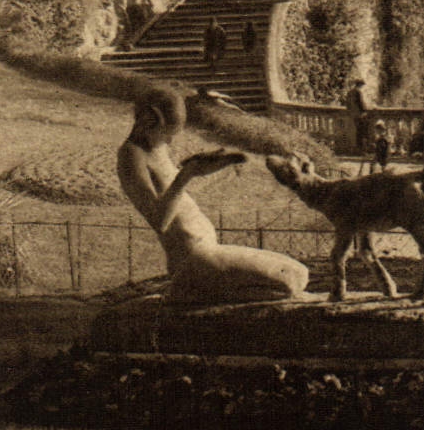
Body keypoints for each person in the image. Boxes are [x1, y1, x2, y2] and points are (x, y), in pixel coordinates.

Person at [117, 88, 308, 303]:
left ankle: (199, 292)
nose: (170, 141)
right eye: (168, 133)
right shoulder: (131, 157)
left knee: (300, 274)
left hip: (208, 251)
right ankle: (192, 292)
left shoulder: (154, 147)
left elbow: (175, 183)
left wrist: (212, 163)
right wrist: (187, 175)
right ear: (149, 119)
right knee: (287, 284)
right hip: (192, 260)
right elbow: (160, 221)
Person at [343, 77, 371, 154]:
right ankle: (361, 150)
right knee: (361, 132)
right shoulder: (358, 92)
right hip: (359, 115)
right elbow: (361, 103)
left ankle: (356, 149)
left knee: (355, 133)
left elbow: (347, 104)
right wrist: (366, 110)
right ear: (360, 85)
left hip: (352, 115)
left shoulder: (349, 92)